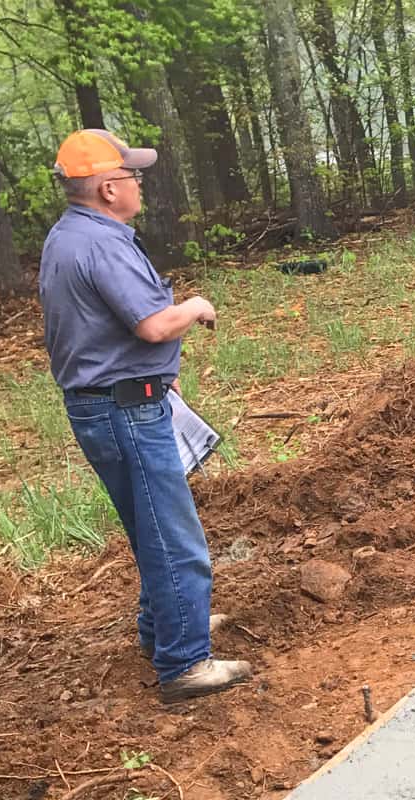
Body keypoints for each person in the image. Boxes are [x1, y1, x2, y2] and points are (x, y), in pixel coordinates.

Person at [39, 129, 250, 702]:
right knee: (175, 540)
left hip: (104, 404)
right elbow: (152, 324)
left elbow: (97, 330)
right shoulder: (103, 243)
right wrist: (196, 307)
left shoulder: (68, 236)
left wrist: (156, 366)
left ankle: (167, 628)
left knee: (151, 530)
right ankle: (185, 662)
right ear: (109, 188)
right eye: (133, 176)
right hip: (126, 410)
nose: (139, 185)